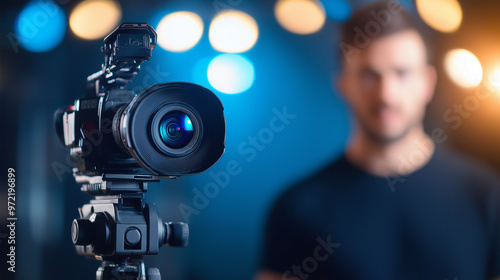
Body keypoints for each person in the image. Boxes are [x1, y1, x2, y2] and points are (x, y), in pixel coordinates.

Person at [256, 1, 500, 279]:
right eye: (369, 75)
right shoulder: (297, 207)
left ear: (428, 83)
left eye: (402, 73)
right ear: (343, 85)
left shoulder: (486, 197)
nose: (387, 94)